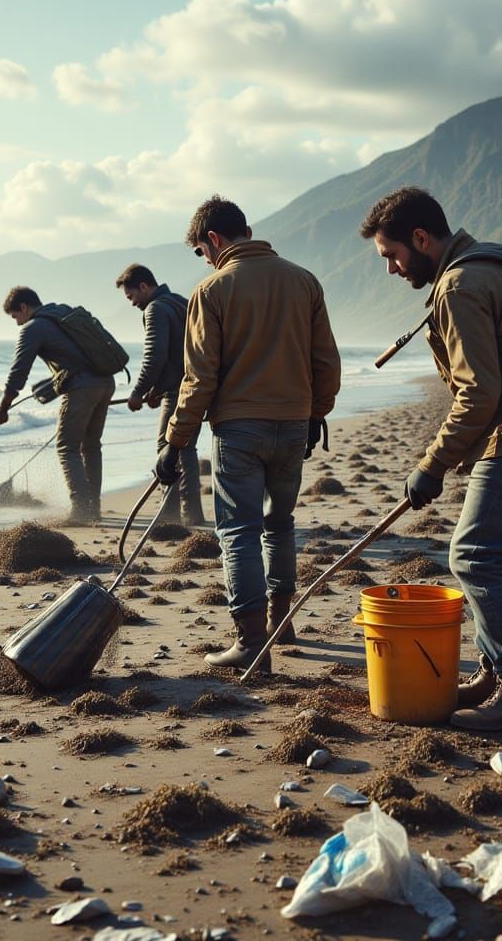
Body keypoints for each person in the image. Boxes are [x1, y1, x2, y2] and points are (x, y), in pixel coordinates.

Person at [358, 186, 502, 731]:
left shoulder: (461, 285)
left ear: (420, 238)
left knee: (476, 557)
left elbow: (478, 393)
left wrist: (431, 465)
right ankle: (496, 676)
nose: (391, 269)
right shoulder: (492, 262)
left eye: (392, 255)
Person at [156, 195, 342, 673]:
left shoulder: (212, 290)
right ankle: (282, 622)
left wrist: (175, 442)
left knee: (239, 531)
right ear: (249, 231)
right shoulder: (304, 281)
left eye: (202, 251)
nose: (205, 260)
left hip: (239, 429)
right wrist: (315, 414)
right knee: (279, 523)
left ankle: (252, 643)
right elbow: (326, 362)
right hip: (294, 424)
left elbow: (199, 379)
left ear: (213, 239)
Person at [0, 286, 115, 524]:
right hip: (106, 382)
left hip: (83, 389)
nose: (17, 323)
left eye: (15, 317)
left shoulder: (33, 327)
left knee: (67, 448)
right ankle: (93, 509)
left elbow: (18, 372)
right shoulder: (63, 313)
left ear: (23, 308)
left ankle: (81, 511)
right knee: (91, 446)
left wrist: (3, 407)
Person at [114, 263, 206, 526]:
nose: (132, 303)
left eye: (131, 296)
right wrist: (156, 390)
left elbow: (155, 356)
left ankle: (170, 518)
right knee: (185, 449)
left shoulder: (155, 309)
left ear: (144, 286)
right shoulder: (180, 302)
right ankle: (192, 514)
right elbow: (178, 355)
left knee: (167, 448)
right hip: (196, 386)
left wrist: (138, 392)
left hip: (179, 391)